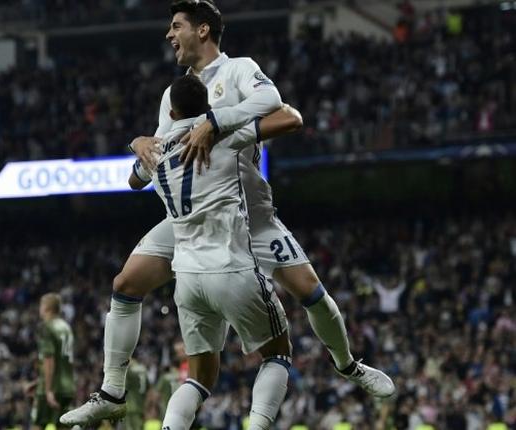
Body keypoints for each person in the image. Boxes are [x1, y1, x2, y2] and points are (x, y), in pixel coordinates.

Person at [61, 0, 394, 426]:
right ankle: (111, 391)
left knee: (311, 291)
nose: (169, 35)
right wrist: (139, 143)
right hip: (196, 216)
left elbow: (276, 103)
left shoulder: (239, 69)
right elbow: (165, 147)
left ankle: (348, 366)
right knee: (125, 283)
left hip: (251, 213)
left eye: (176, 26)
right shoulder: (173, 93)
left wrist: (216, 122)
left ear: (202, 30)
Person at [158, 73, 294, 429]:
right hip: (230, 266)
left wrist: (139, 142)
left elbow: (133, 179)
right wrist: (224, 118)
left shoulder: (154, 152)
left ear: (171, 113)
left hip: (186, 276)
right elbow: (288, 118)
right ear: (208, 108)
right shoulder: (226, 137)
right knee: (277, 353)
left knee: (199, 376)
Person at [31, 293, 76, 429]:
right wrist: (37, 382)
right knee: (63, 426)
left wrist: (48, 389)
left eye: (41, 305)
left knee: (38, 425)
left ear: (46, 308)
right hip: (67, 387)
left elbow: (49, 360)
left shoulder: (47, 328)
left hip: (51, 387)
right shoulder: (66, 328)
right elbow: (64, 361)